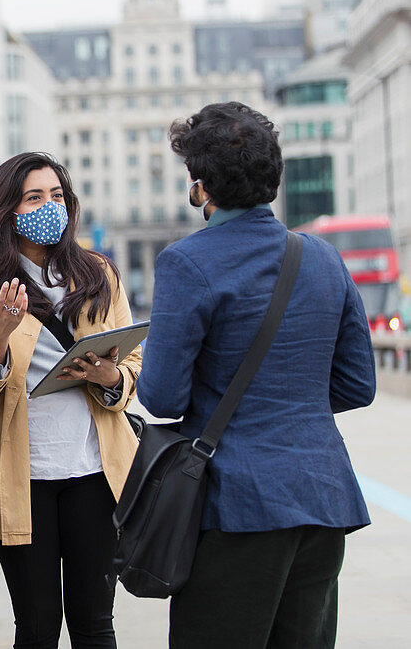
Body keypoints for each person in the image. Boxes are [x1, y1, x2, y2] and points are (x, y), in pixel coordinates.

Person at [137, 103, 375, 648]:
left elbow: (164, 398)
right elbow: (358, 385)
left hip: (236, 509)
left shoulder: (187, 262)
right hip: (323, 499)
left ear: (200, 187)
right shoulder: (323, 258)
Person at [0, 152, 141, 649]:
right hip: (20, 477)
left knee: (95, 624)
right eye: (34, 197)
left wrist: (109, 374)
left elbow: (133, 367)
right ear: (5, 209)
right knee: (37, 627)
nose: (48, 206)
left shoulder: (99, 273)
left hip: (95, 471)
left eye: (56, 195)